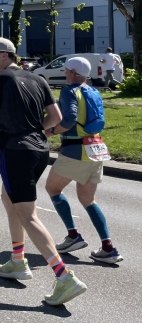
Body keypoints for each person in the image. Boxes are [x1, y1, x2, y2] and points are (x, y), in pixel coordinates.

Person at [0, 37, 87, 306]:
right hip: (40, 150)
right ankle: (17, 259)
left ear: (4, 55)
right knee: (9, 198)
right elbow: (56, 118)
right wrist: (36, 130)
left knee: (27, 214)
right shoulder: (38, 79)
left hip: (15, 151)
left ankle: (65, 277)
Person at [44, 57, 122, 264]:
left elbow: (69, 119)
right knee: (88, 200)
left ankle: (73, 236)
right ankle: (108, 248)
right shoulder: (94, 91)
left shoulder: (69, 91)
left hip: (75, 149)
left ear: (72, 72)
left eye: (66, 70)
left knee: (53, 188)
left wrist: (51, 131)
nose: (65, 73)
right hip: (96, 147)